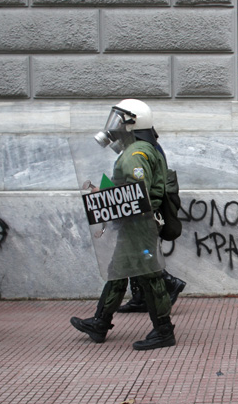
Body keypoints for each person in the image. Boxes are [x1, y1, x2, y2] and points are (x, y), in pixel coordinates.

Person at [70, 99, 178, 351]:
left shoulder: (135, 154)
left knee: (151, 277)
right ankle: (100, 322)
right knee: (117, 271)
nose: (115, 125)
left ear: (133, 123)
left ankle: (163, 331)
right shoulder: (142, 149)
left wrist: (105, 196)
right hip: (135, 224)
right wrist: (106, 193)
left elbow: (136, 194)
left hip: (138, 224)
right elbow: (131, 191)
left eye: (120, 119)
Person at [117, 130, 186, 313]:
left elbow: (141, 187)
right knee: (138, 258)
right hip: (147, 213)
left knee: (145, 259)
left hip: (144, 216)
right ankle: (141, 298)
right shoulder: (150, 147)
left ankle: (168, 284)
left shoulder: (142, 151)